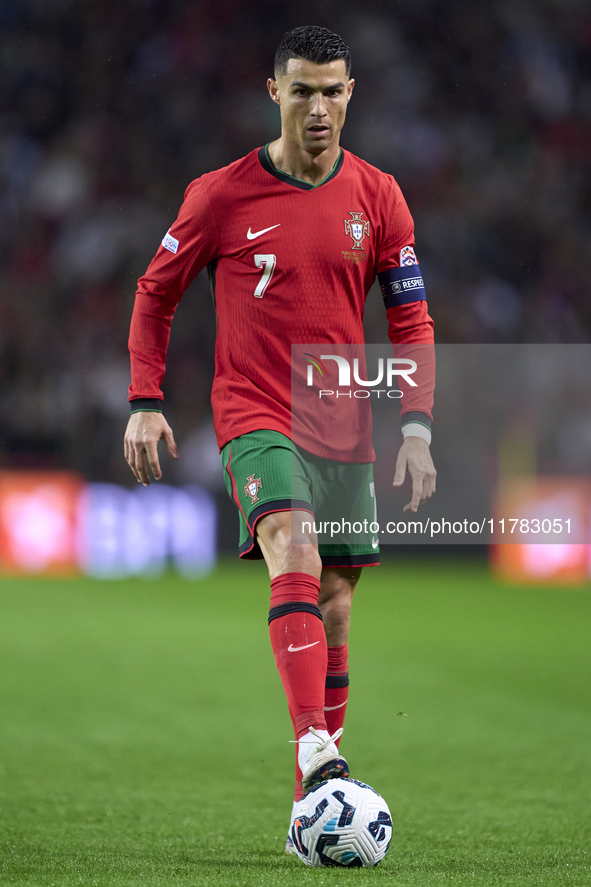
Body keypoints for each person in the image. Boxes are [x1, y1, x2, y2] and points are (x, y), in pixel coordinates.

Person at [124, 25, 436, 851]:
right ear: (274, 93)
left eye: (332, 89)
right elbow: (156, 294)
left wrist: (415, 426)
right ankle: (316, 747)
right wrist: (144, 398)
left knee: (334, 606)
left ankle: (309, 798)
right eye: (302, 89)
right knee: (290, 542)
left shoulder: (379, 196)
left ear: (351, 92)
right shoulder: (220, 194)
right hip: (255, 408)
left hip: (343, 421)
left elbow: (410, 317)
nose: (319, 106)